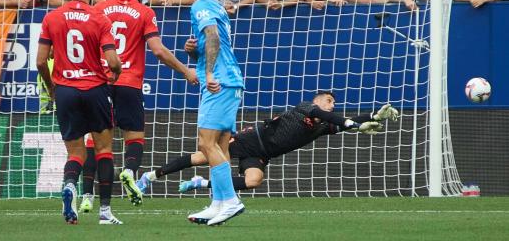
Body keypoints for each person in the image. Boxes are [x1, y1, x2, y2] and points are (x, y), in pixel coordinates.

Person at [136, 91, 396, 196]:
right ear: (318, 100)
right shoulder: (306, 108)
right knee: (201, 157)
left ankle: (201, 183)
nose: (333, 105)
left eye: (334, 103)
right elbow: (332, 117)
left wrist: (371, 117)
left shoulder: (320, 127)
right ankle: (149, 176)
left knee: (252, 181)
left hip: (263, 153)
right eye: (329, 100)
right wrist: (351, 124)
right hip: (252, 140)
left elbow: (340, 122)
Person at [94, 0, 198, 205]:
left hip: (101, 82)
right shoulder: (144, 12)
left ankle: (92, 197)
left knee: (100, 142)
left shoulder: (99, 8)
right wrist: (185, 71)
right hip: (129, 83)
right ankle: (129, 172)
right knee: (135, 136)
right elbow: (158, 51)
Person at [36, 0, 123, 225]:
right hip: (94, 89)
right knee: (104, 149)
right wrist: (114, 74)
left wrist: (52, 87)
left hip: (65, 91)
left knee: (75, 152)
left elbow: (41, 61)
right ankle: (105, 212)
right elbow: (113, 61)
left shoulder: (52, 17)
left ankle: (71, 186)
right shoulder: (100, 18)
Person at [182, 0, 245, 226]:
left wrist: (208, 73)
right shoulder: (218, 5)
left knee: (205, 144)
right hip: (232, 80)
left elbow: (213, 35)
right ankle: (218, 203)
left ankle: (230, 201)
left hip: (219, 81)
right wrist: (193, 52)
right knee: (219, 144)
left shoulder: (201, 5)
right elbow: (211, 40)